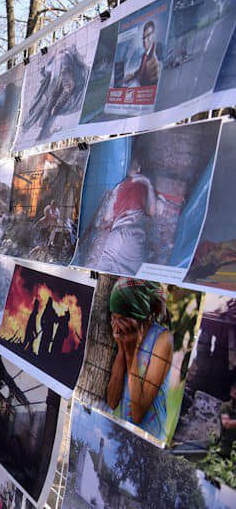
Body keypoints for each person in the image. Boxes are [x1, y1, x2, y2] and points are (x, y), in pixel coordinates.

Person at [106, 278, 173, 441]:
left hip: (150, 436)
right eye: (113, 318)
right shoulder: (126, 337)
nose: (117, 325)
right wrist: (121, 350)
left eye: (121, 319)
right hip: (125, 436)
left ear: (138, 316)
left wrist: (130, 354)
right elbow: (112, 401)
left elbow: (138, 414)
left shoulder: (162, 339)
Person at [89, 158, 156, 274]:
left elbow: (106, 217)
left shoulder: (118, 187)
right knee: (128, 276)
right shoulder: (144, 184)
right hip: (134, 234)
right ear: (139, 169)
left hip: (115, 234)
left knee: (101, 271)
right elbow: (152, 212)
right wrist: (149, 185)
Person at [127, 21, 160, 87]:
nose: (145, 41)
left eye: (148, 36)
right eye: (143, 38)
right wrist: (133, 75)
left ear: (153, 35)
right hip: (139, 87)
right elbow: (141, 70)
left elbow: (156, 73)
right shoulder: (144, 56)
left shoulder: (157, 51)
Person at [220, 375, 236, 459]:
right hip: (225, 450)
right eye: (233, 388)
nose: (234, 390)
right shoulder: (225, 406)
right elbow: (226, 424)